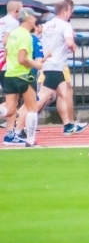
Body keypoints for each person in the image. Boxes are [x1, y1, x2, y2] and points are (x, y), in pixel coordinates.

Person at [37, 1, 87, 135]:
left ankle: (68, 125)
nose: (71, 14)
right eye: (70, 12)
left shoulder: (47, 25)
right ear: (65, 11)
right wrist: (73, 47)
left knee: (63, 95)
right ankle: (21, 121)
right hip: (55, 65)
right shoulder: (65, 25)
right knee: (43, 97)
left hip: (49, 64)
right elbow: (69, 43)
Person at [3, 8, 48, 147]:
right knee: (32, 108)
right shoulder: (26, 36)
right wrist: (36, 64)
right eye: (34, 17)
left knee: (9, 110)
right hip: (24, 76)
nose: (36, 20)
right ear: (28, 18)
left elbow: (6, 54)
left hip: (9, 74)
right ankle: (30, 140)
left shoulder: (13, 33)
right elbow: (22, 59)